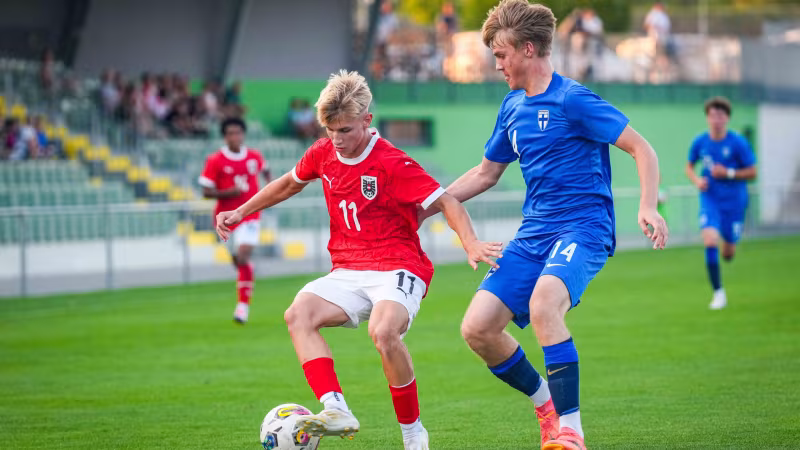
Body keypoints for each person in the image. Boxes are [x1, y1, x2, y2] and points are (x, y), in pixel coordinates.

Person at [419, 2, 668, 449]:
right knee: (477, 328)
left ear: (528, 49)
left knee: (543, 304)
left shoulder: (573, 99)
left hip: (583, 228)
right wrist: (428, 206)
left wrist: (647, 205)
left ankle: (571, 432)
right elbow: (485, 173)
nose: (498, 65)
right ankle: (546, 406)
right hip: (534, 233)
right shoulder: (512, 106)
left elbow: (641, 148)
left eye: (502, 55)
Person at [214, 70, 501, 450]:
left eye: (346, 130)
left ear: (367, 120)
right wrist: (240, 212)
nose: (337, 139)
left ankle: (414, 435)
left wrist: (470, 242)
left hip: (399, 265)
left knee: (383, 333)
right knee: (297, 314)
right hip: (348, 268)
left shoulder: (392, 162)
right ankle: (335, 409)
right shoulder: (322, 152)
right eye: (331, 129)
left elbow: (446, 201)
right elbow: (287, 183)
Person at [685, 97, 756, 310]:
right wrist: (698, 181)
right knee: (709, 238)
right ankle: (718, 293)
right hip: (711, 199)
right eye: (713, 115)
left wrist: (729, 173)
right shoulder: (700, 142)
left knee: (728, 253)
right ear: (707, 118)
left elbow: (753, 172)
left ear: (727, 118)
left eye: (721, 115)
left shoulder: (738, 143)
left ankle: (730, 244)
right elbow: (689, 167)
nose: (716, 119)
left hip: (734, 203)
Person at [199, 117, 271, 323]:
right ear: (224, 136)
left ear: (243, 134)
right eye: (230, 133)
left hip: (250, 214)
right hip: (225, 218)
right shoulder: (215, 160)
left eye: (238, 133)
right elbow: (206, 191)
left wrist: (269, 190)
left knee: (243, 254)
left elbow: (267, 172)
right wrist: (229, 192)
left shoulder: (254, 156)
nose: (235, 137)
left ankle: (242, 308)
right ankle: (248, 273)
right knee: (240, 262)